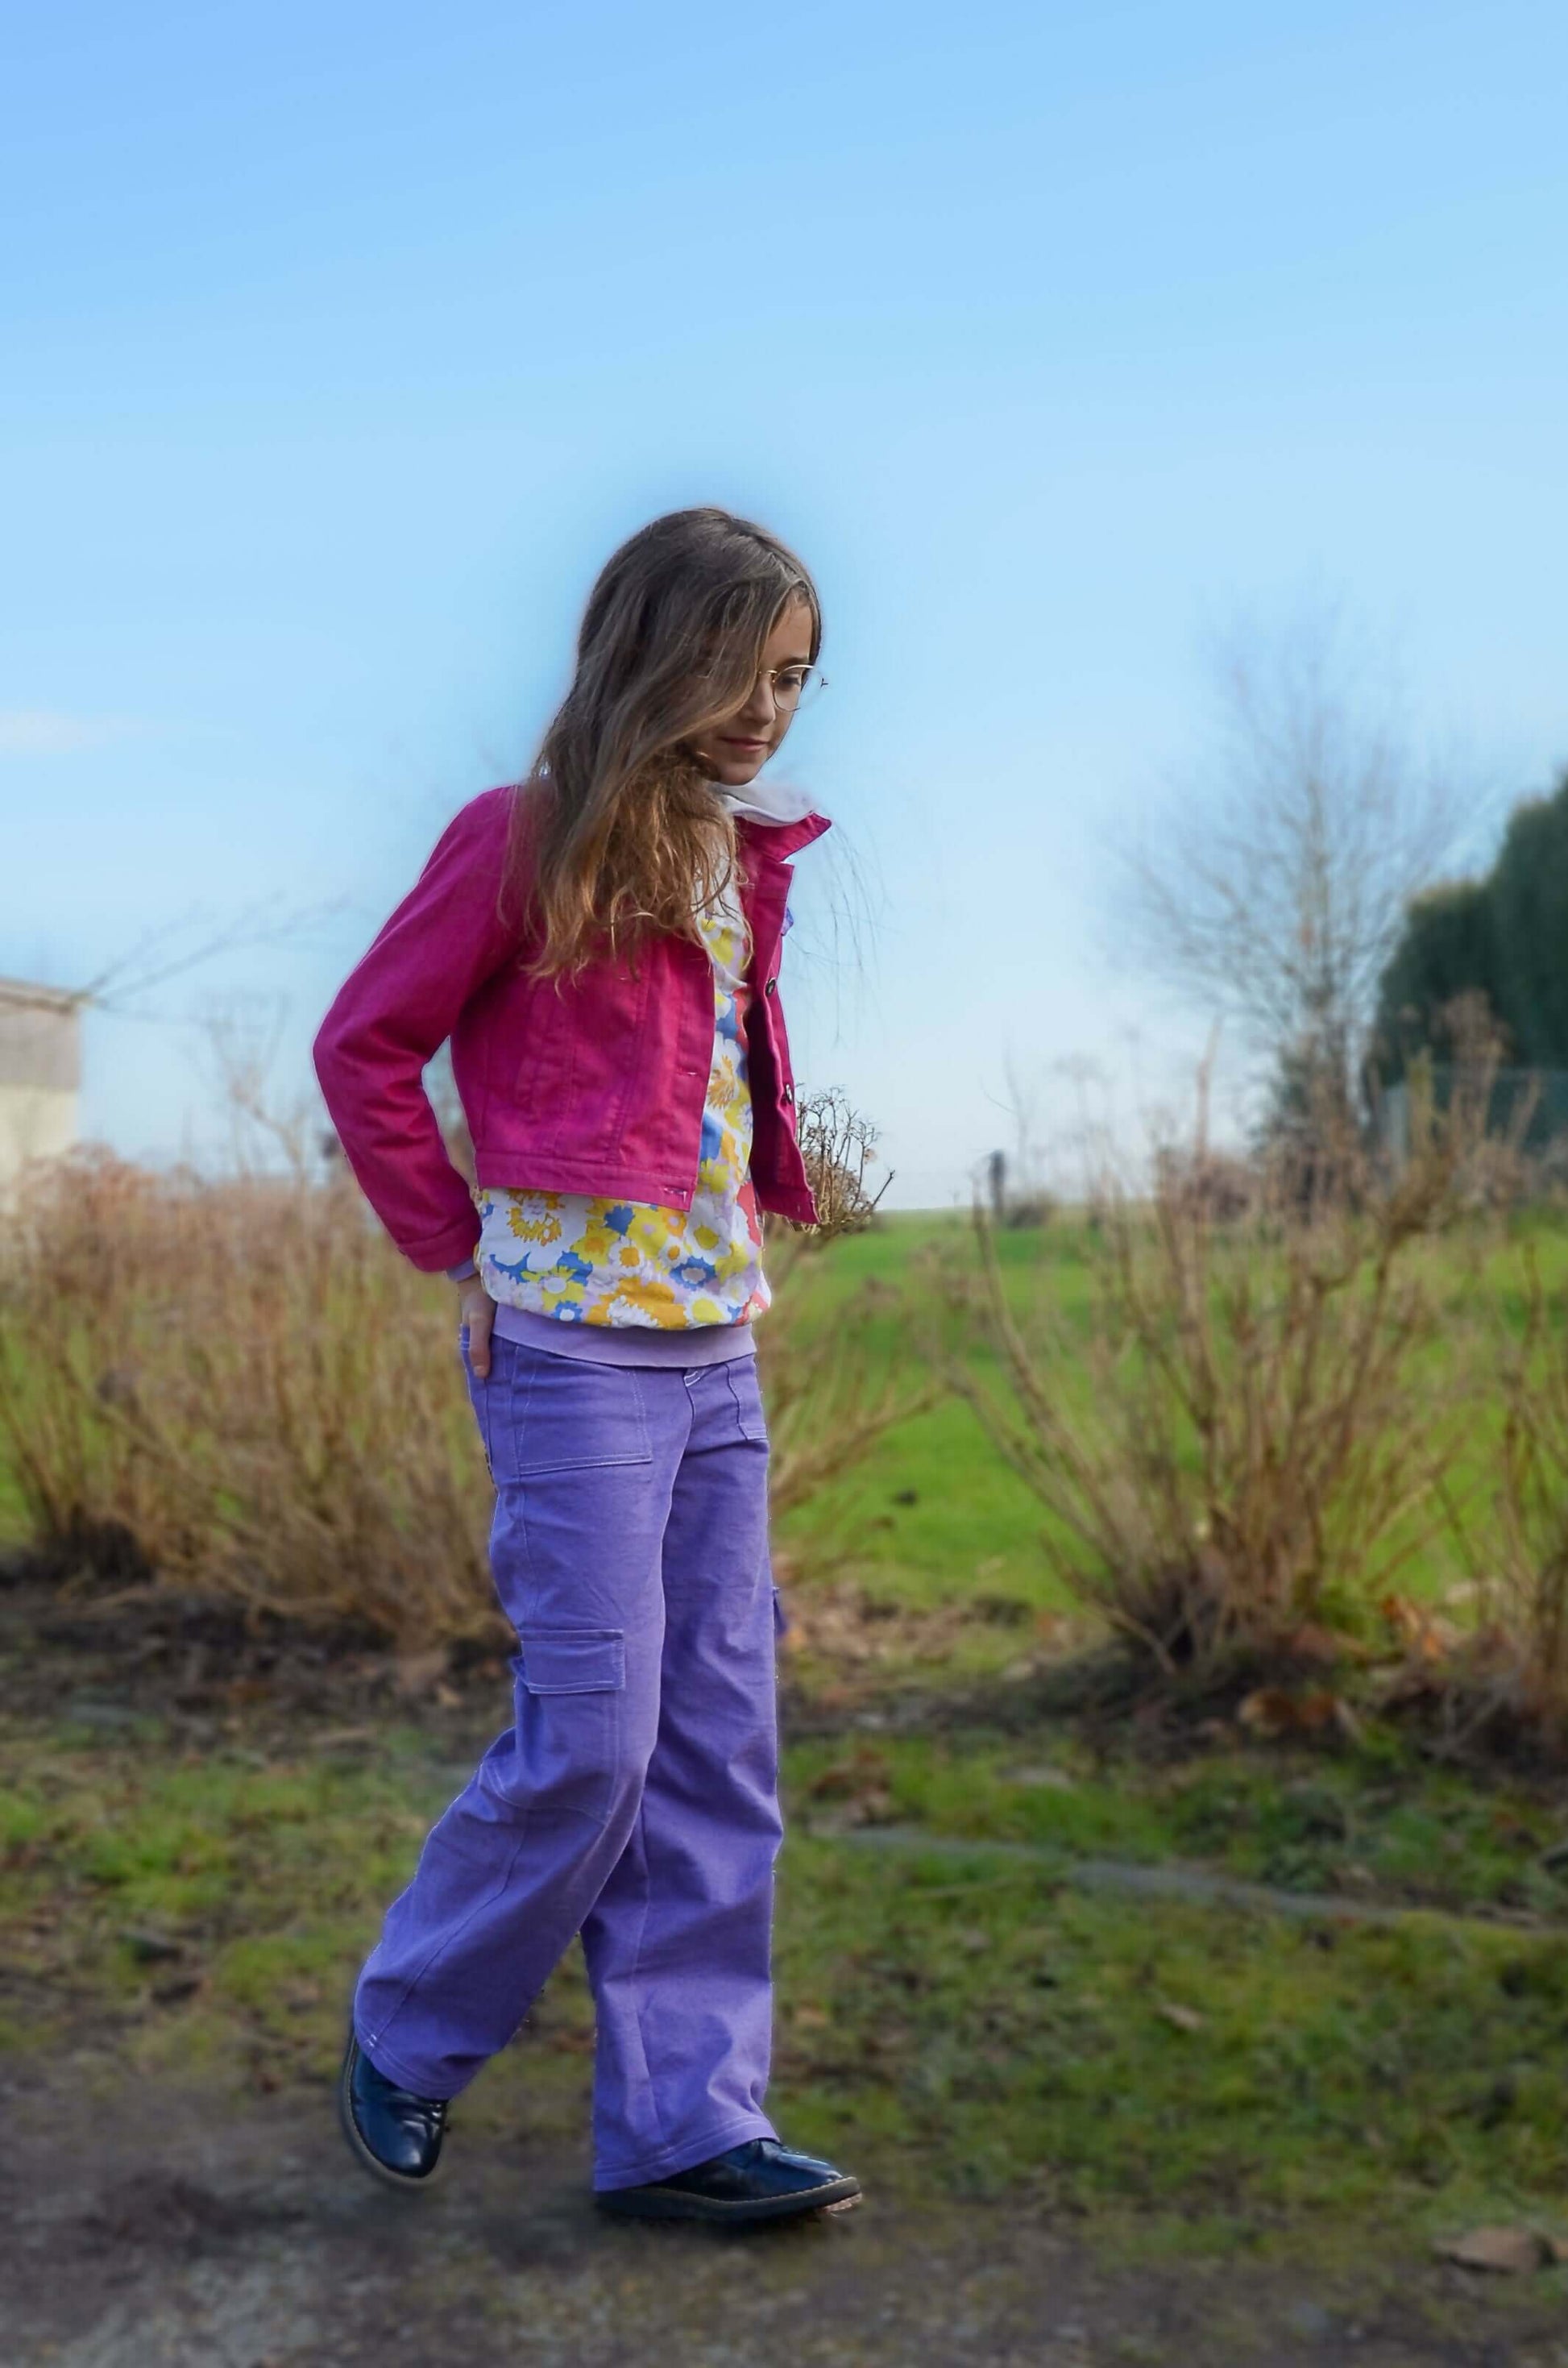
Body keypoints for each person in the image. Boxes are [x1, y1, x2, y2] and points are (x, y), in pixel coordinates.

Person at [312, 507, 861, 2225]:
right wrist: (454, 1246)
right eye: (744, 669)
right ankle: (405, 2031)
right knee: (596, 1744)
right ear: (648, 651)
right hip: (569, 1359)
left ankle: (685, 2121)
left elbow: (689, 1091)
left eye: (798, 679)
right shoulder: (519, 838)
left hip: (718, 1356)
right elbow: (366, 1045)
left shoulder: (732, 860)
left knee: (719, 1743)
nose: (773, 709)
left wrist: (781, 1179)